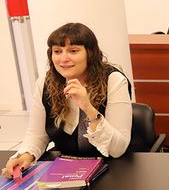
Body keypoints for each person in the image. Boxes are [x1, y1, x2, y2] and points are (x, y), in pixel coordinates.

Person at [2, 23, 132, 177]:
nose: (63, 59)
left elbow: (118, 150)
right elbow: (37, 135)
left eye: (73, 51)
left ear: (90, 53)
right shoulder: (45, 83)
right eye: (57, 51)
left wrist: (88, 108)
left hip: (114, 170)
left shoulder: (113, 80)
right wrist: (25, 155)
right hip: (68, 169)